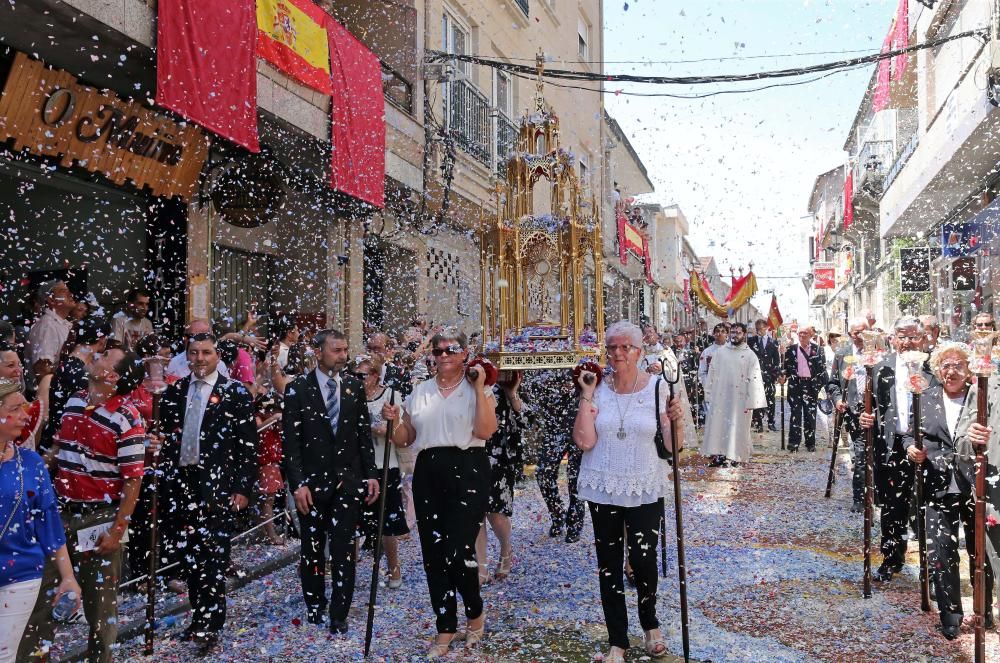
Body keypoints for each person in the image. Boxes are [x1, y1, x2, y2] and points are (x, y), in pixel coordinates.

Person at [19, 347, 146, 663]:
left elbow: (133, 482)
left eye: (105, 356)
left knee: (100, 608)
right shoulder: (75, 400)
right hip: (60, 513)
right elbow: (60, 450)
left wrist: (118, 531)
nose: (97, 356)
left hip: (100, 517)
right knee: (41, 597)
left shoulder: (127, 417)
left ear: (112, 375)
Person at [572, 320, 684, 663]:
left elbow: (671, 446)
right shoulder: (598, 387)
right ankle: (617, 641)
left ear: (639, 351)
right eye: (613, 348)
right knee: (608, 565)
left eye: (626, 347)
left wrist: (676, 419)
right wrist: (587, 396)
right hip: (603, 484)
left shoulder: (656, 389)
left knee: (643, 560)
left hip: (644, 484)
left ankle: (650, 625)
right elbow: (585, 441)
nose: (618, 354)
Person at [382, 329, 497, 658]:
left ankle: (475, 613)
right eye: (438, 350)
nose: (444, 355)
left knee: (459, 549)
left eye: (452, 349)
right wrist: (394, 421)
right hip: (429, 469)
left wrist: (477, 387)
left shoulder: (479, 387)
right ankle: (445, 625)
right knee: (433, 553)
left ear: (464, 353)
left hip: (469, 465)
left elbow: (486, 431)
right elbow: (406, 438)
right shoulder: (420, 391)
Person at [157, 333, 258, 654]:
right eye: (194, 352)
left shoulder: (235, 393)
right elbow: (170, 435)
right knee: (190, 558)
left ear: (218, 356)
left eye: (206, 353)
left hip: (218, 488)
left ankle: (210, 624)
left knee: (213, 558)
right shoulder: (175, 391)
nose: (200, 358)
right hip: (181, 484)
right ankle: (198, 616)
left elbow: (247, 445)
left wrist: (243, 487)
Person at [282, 330, 379, 634]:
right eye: (336, 350)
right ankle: (314, 604)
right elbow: (291, 442)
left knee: (343, 548)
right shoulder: (298, 388)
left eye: (345, 349)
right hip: (310, 485)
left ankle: (340, 610)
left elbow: (363, 436)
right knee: (312, 548)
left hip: (347, 482)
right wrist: (297, 484)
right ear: (319, 352)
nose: (342, 355)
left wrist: (371, 474)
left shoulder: (352, 386)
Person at [905, 343, 994, 639]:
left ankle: (984, 610)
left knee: (978, 549)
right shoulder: (924, 398)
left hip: (975, 485)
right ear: (938, 370)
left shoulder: (981, 397)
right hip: (937, 485)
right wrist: (912, 450)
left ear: (968, 370)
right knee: (942, 551)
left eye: (958, 365)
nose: (951, 371)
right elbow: (909, 433)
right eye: (946, 365)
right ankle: (950, 614)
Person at [0, 380, 81, 663]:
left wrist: (68, 577)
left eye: (25, 407)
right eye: (15, 409)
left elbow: (49, 523)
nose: (26, 415)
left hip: (21, 572)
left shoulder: (31, 462)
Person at [859, 315, 935, 582]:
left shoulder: (934, 367)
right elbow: (869, 406)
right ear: (892, 339)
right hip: (890, 447)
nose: (907, 342)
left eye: (913, 336)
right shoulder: (881, 368)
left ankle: (932, 562)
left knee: (928, 505)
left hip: (928, 447)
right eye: (901, 336)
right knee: (892, 507)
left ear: (924, 339)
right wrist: (864, 418)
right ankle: (892, 558)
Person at [355, 356, 408, 589]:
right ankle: (350, 569)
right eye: (355, 375)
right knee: (355, 520)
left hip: (386, 463)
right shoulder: (352, 396)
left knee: (388, 521)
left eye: (362, 375)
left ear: (375, 375)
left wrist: (378, 428)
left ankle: (393, 568)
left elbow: (398, 428)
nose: (357, 380)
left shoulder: (391, 396)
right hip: (358, 466)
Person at [476, 369, 528, 584]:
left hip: (501, 458)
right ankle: (481, 566)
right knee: (476, 513)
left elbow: (528, 420)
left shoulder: (511, 388)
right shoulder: (473, 389)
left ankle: (506, 550)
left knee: (496, 513)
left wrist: (512, 393)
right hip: (474, 453)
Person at [38, 317, 111, 455]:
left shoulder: (65, 366)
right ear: (102, 339)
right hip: (64, 445)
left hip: (54, 438)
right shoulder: (81, 375)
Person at [700, 322, 766, 466]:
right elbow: (711, 373)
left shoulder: (749, 355)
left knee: (738, 427)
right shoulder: (720, 352)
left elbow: (755, 378)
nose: (735, 335)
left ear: (744, 335)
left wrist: (754, 400)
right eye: (733, 332)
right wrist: (709, 393)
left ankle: (736, 456)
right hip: (721, 397)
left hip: (740, 399)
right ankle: (719, 455)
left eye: (738, 333)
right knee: (719, 426)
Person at [531, 369, 585, 542]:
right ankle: (557, 515)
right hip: (554, 425)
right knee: (544, 473)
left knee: (576, 477)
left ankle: (574, 524)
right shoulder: (541, 372)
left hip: (578, 421)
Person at [828, 317, 870, 512]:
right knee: (860, 454)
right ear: (850, 334)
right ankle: (859, 498)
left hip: (878, 412)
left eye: (864, 332)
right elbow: (833, 383)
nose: (860, 337)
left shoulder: (879, 352)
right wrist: (838, 400)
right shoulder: (842, 355)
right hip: (854, 411)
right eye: (856, 333)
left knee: (877, 455)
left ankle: (876, 493)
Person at [780, 326, 827, 453]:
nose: (802, 335)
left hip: (811, 386)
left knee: (810, 415)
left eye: (805, 333)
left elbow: (822, 370)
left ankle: (810, 443)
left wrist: (820, 386)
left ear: (811, 334)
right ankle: (793, 443)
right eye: (800, 333)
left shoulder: (818, 350)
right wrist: (783, 376)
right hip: (795, 385)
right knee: (795, 415)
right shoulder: (790, 349)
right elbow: (785, 368)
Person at [25, 280, 75, 381]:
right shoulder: (47, 325)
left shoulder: (60, 323)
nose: (70, 294)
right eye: (63, 291)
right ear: (51, 300)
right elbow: (42, 368)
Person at [748, 319, 780, 432]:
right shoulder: (751, 341)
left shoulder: (773, 342)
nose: (758, 331)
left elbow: (776, 360)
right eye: (757, 329)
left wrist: (775, 375)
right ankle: (758, 423)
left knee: (770, 399)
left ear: (766, 328)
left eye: (760, 329)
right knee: (757, 399)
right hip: (755, 375)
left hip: (769, 376)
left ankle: (771, 422)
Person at [697, 323, 729, 419]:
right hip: (712, 389)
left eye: (723, 331)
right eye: (717, 331)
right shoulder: (707, 352)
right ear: (714, 334)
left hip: (728, 388)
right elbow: (702, 372)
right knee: (713, 417)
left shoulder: (732, 351)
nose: (720, 334)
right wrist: (708, 385)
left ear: (727, 334)